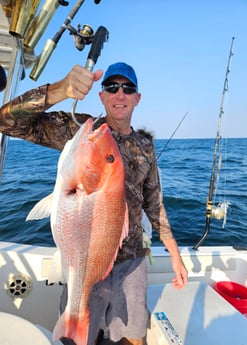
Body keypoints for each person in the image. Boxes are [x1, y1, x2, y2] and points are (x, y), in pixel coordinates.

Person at [0, 62, 188, 345]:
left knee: (133, 336)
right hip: (85, 258)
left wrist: (174, 253)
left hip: (133, 259)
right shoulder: (82, 131)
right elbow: (7, 122)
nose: (120, 93)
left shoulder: (145, 146)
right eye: (112, 87)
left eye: (128, 88)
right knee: (78, 337)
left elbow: (154, 202)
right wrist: (59, 90)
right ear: (102, 96)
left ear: (137, 98)